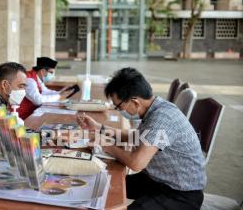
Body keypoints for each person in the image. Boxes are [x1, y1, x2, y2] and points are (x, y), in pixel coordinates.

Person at [78, 67, 206, 210]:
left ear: (135, 102)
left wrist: (106, 145)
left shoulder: (162, 118)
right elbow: (136, 137)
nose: (119, 111)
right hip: (157, 179)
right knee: (104, 183)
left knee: (112, 188)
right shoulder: (156, 108)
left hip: (180, 194)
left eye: (119, 107)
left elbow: (136, 163)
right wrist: (99, 128)